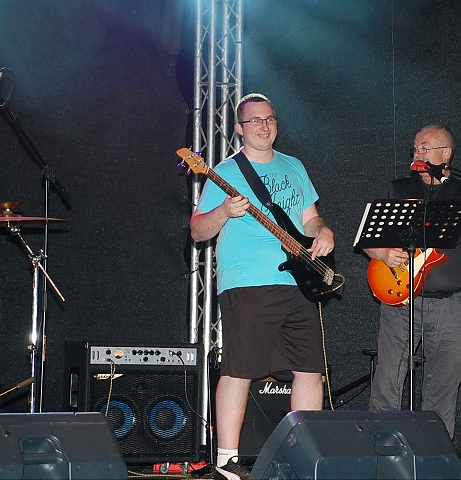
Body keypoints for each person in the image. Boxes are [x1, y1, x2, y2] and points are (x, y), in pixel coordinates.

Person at [190, 93, 334, 480]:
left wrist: (323, 232)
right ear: (240, 129)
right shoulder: (226, 171)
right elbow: (198, 230)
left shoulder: (294, 166)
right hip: (248, 283)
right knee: (239, 369)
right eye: (255, 121)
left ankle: (303, 456)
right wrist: (224, 211)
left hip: (298, 280)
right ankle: (227, 461)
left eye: (269, 119)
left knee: (309, 370)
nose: (264, 126)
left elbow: (310, 218)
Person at [364, 124, 461, 439]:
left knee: (443, 387)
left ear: (446, 154)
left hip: (452, 305)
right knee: (387, 382)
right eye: (415, 148)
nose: (417, 152)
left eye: (425, 147)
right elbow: (368, 241)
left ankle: (434, 453)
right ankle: (380, 451)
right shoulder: (399, 188)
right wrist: (384, 253)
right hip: (401, 300)